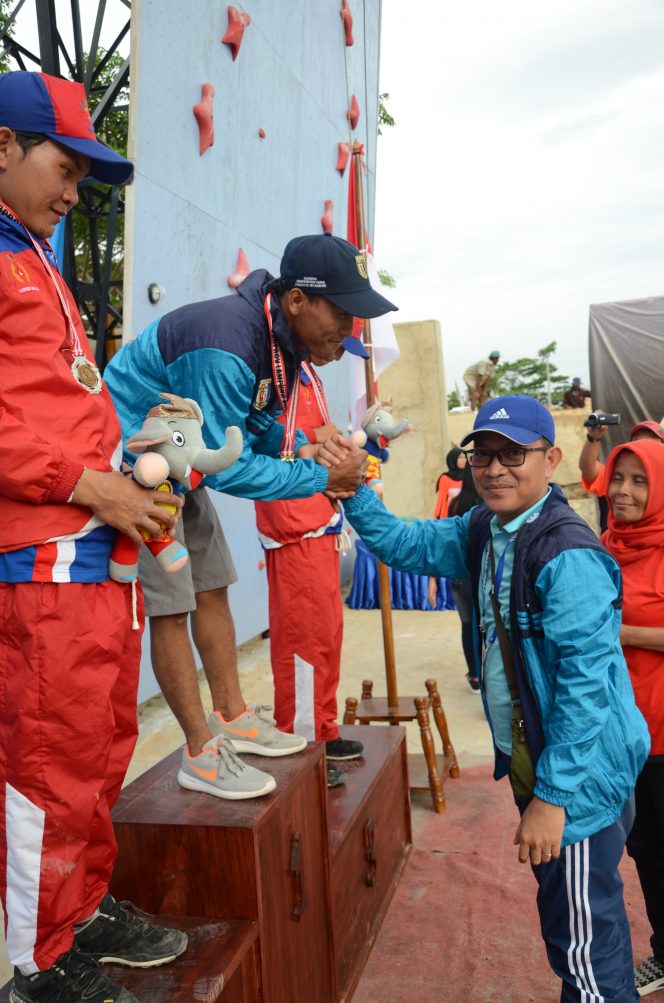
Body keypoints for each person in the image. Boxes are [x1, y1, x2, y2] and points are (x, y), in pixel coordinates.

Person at [338, 394, 649, 1001]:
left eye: (514, 454)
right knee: (571, 925)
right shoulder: (487, 526)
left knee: (585, 940)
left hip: (578, 774)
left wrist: (554, 800)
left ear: (551, 459)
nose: (495, 468)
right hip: (545, 760)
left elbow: (585, 694)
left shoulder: (567, 553)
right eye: (483, 454)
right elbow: (406, 545)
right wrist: (353, 491)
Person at [0, 70, 188, 1003]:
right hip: (39, 557)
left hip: (91, 556)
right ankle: (33, 959)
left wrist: (130, 450)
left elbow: (55, 406)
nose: (74, 191)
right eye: (64, 167)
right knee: (46, 762)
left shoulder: (33, 256)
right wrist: (87, 483)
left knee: (102, 744)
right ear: (2, 145)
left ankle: (80, 905)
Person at [104, 233, 393, 799]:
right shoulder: (228, 344)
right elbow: (227, 468)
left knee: (212, 586)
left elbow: (254, 437)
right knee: (172, 606)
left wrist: (306, 451)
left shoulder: (281, 346)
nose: (351, 329)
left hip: (181, 465)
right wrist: (319, 477)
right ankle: (199, 751)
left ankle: (233, 717)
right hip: (133, 469)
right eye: (342, 311)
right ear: (297, 302)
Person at [254, 356, 364, 789]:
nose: (338, 344)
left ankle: (323, 727)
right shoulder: (271, 366)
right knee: (301, 641)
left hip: (320, 516)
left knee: (326, 635)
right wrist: (326, 436)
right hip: (294, 522)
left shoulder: (304, 370)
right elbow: (269, 437)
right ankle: (303, 746)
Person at [602, 439, 664, 997]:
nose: (623, 491)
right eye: (617, 478)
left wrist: (619, 634)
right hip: (622, 731)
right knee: (643, 845)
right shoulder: (605, 545)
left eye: (639, 480)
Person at [429, 463, 482, 692]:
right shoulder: (486, 506)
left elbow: (445, 539)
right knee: (486, 625)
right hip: (480, 573)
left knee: (467, 624)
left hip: (460, 575)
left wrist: (433, 579)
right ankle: (487, 672)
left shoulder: (455, 503)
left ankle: (474, 675)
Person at [433, 446, 466, 519]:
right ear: (453, 459)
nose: (463, 460)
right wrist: (442, 520)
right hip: (451, 517)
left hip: (467, 516)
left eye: (465, 457)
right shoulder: (445, 478)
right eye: (460, 458)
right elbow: (442, 501)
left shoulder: (469, 476)